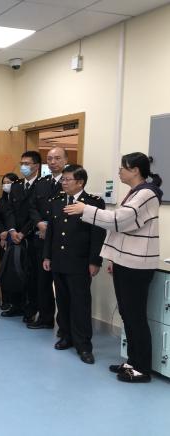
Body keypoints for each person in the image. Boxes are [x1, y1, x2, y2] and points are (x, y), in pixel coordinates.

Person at [65, 152, 163, 383]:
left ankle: (141, 368)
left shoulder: (147, 193)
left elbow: (120, 220)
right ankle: (132, 361)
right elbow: (122, 229)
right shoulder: (135, 192)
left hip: (137, 265)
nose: (119, 171)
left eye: (123, 167)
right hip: (125, 261)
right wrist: (113, 258)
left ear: (135, 170)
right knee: (127, 314)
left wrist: (86, 209)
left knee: (135, 316)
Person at [42, 165, 106, 364]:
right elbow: (51, 232)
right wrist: (47, 257)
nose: (63, 182)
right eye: (63, 179)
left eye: (68, 179)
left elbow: (98, 234)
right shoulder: (57, 201)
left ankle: (83, 345)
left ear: (80, 182)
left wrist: (95, 261)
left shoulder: (93, 203)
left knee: (80, 303)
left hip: (80, 262)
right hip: (58, 260)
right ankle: (66, 336)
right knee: (62, 301)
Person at [27, 147, 69, 329]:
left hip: (61, 241)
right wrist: (39, 223)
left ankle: (64, 325)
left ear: (65, 160)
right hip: (41, 239)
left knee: (61, 285)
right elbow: (32, 207)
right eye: (50, 159)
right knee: (41, 281)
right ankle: (45, 318)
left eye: (57, 158)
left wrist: (50, 227)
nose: (53, 162)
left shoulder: (70, 182)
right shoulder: (41, 183)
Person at [2, 150, 41, 319]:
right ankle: (15, 305)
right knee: (14, 271)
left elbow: (37, 213)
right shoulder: (16, 185)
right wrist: (12, 230)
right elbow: (9, 210)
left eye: (27, 164)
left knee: (31, 274)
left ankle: (30, 310)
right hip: (15, 235)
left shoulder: (42, 185)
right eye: (22, 163)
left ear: (36, 166)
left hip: (32, 236)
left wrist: (23, 233)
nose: (23, 167)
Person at [0, 172, 19, 310]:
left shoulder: (20, 200)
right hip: (3, 239)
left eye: (9, 182)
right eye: (4, 183)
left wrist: (9, 232)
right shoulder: (1, 201)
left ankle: (17, 302)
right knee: (4, 269)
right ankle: (5, 300)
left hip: (16, 238)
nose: (6, 185)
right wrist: (2, 233)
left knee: (15, 269)